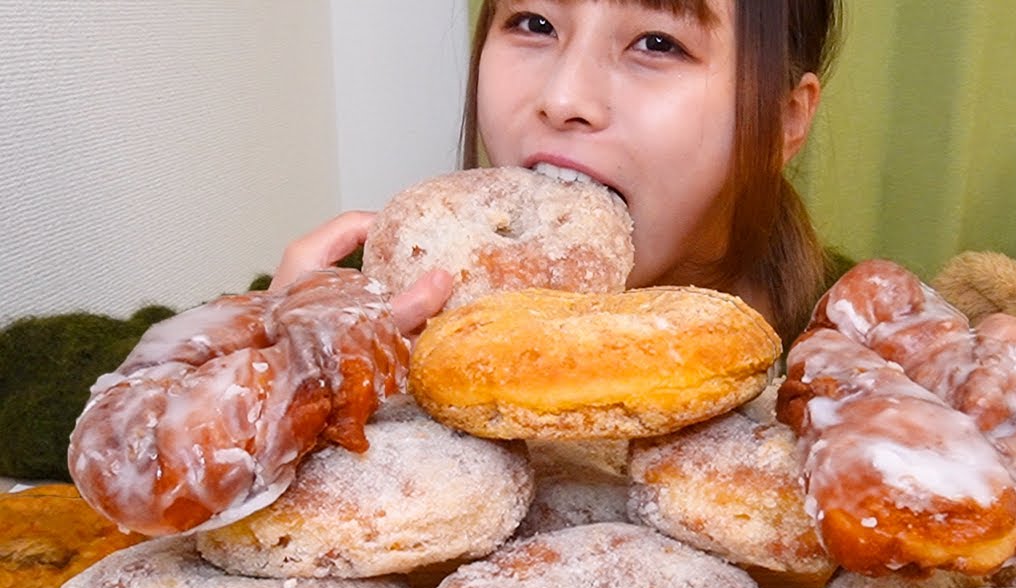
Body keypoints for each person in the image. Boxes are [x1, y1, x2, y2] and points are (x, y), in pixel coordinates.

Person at [272, 0, 842, 347]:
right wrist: (263, 391)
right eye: (535, 23)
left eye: (658, 43)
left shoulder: (883, 366)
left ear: (783, 122)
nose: (564, 97)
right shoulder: (327, 310)